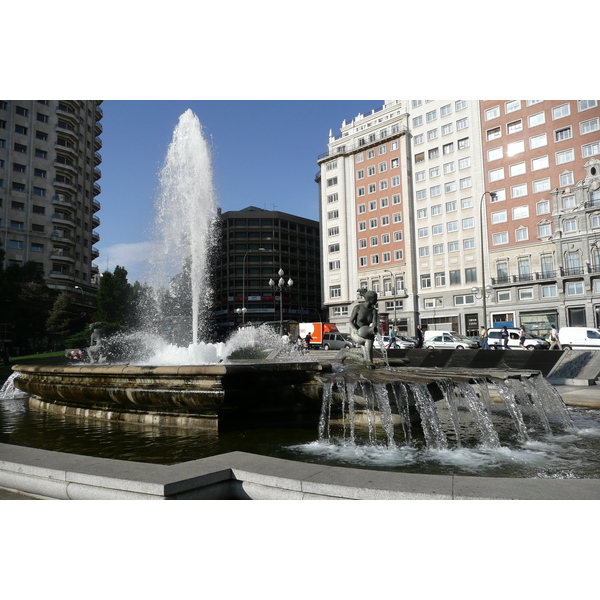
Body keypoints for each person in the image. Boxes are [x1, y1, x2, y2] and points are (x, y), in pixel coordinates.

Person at [347, 288, 379, 364]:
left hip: (366, 333)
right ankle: (369, 362)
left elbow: (374, 324)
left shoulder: (374, 311)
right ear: (371, 299)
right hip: (356, 333)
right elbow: (350, 321)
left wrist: (373, 328)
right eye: (376, 298)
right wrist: (355, 330)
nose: (377, 300)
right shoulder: (357, 308)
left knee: (366, 360)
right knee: (369, 340)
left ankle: (348, 354)